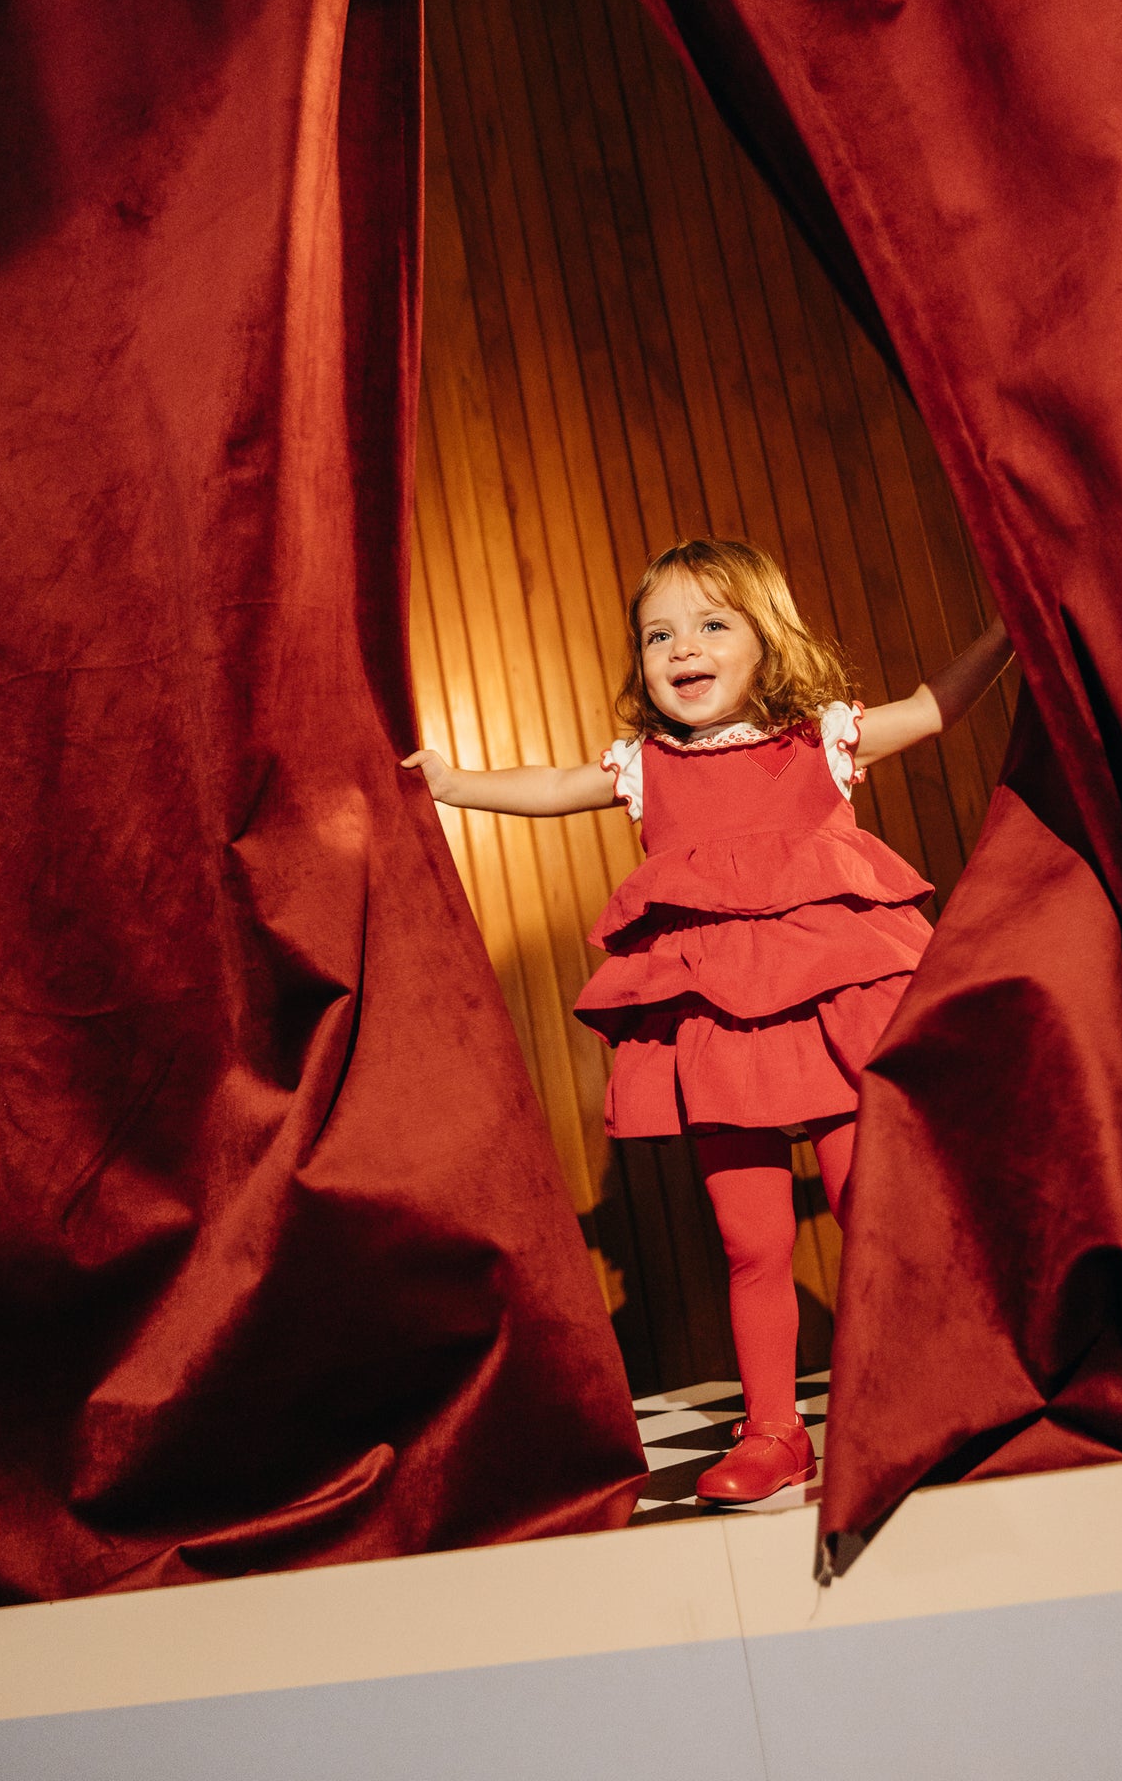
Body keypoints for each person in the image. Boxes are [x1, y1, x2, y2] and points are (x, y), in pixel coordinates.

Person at [403, 538, 1013, 1504]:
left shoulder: (822, 738)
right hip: (720, 1030)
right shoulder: (646, 764)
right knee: (752, 1241)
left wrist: (1012, 625)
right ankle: (774, 1431)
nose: (681, 649)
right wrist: (452, 783)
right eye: (658, 635)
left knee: (869, 1207)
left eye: (711, 624)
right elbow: (553, 786)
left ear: (767, 641)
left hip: (831, 1012)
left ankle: (913, 1393)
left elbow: (933, 711)